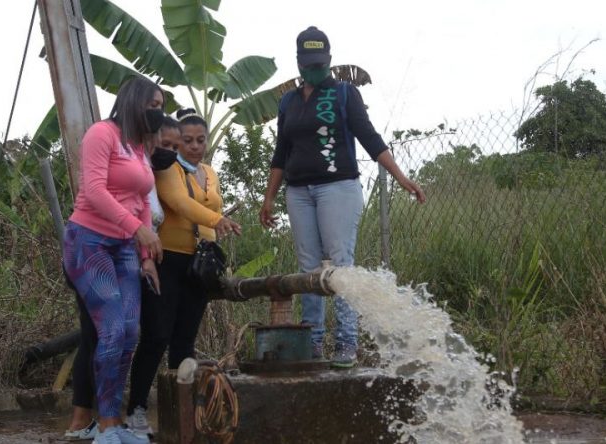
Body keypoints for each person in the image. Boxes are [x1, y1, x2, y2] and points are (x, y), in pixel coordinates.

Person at [259, 26, 426, 368]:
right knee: (308, 268)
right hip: (298, 192)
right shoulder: (288, 101)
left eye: (320, 63)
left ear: (329, 61)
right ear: (299, 62)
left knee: (339, 265)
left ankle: (346, 343)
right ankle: (315, 342)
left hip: (338, 188)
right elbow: (281, 152)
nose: (314, 69)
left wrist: (402, 178)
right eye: (308, 63)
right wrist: (269, 197)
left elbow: (369, 137)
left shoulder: (344, 93)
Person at [124, 110, 242, 437]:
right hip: (168, 258)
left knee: (185, 340)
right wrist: (217, 220)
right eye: (187, 141)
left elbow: (210, 205)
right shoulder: (166, 167)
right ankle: (136, 409)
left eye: (200, 140)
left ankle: (183, 411)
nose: (194, 146)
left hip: (200, 264)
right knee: (157, 335)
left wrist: (213, 221)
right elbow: (177, 202)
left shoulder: (208, 172)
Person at [62, 76, 164, 444]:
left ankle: (115, 422)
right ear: (134, 102)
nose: (159, 113)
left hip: (124, 248)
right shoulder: (101, 134)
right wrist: (138, 231)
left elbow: (141, 202)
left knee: (131, 332)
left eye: (161, 106)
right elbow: (94, 190)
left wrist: (146, 255)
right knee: (112, 330)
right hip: (88, 242)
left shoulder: (139, 148)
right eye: (153, 106)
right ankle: (106, 425)